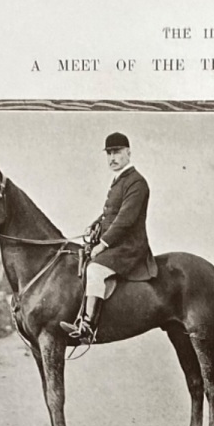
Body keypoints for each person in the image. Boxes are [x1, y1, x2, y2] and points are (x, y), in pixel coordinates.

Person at [60, 131, 158, 343]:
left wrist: (102, 244)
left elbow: (125, 218)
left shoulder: (136, 182)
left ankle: (88, 326)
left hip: (130, 247)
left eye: (117, 152)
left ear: (128, 153)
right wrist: (96, 224)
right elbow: (111, 213)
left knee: (94, 270)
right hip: (118, 244)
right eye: (109, 153)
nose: (112, 158)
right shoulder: (118, 180)